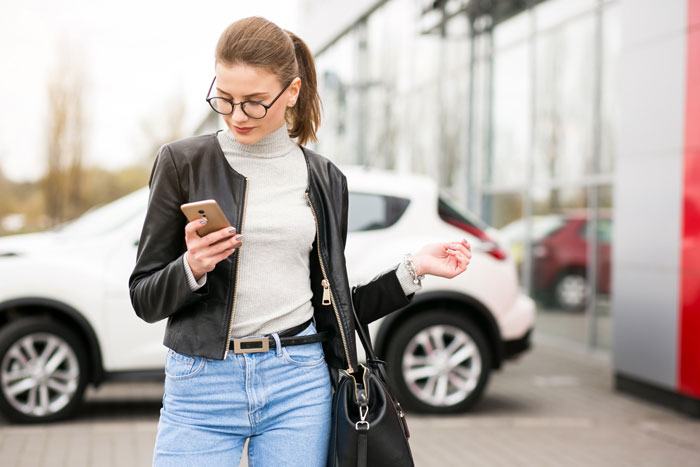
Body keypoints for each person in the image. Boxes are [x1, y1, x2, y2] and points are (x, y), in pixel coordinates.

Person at [128, 16, 472, 467]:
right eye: (225, 99)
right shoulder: (182, 163)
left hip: (297, 380)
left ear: (291, 92)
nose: (235, 116)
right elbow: (144, 297)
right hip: (201, 385)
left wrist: (414, 270)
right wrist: (191, 267)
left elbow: (332, 307)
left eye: (253, 103)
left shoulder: (326, 179)